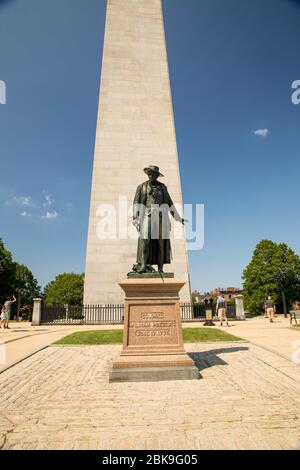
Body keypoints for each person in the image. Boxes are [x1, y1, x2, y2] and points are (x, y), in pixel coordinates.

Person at [132, 165, 185, 274]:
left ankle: (160, 269)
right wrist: (135, 217)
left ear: (157, 175)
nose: (151, 175)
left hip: (161, 217)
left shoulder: (163, 188)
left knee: (161, 243)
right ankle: (143, 265)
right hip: (148, 214)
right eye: (149, 173)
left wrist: (178, 218)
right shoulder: (141, 187)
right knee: (145, 240)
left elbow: (170, 204)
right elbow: (136, 203)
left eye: (153, 174)